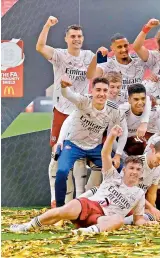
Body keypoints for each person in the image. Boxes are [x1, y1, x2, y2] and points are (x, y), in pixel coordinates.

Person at [10, 125, 155, 234]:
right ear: (124, 169)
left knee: (118, 220)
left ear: (141, 173)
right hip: (89, 205)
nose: (134, 172)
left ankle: (84, 232)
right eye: (131, 168)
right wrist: (111, 136)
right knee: (63, 211)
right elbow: (105, 154)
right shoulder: (113, 176)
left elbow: (138, 220)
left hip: (102, 218)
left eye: (138, 169)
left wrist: (148, 222)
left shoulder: (139, 194)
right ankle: (27, 226)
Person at [36, 16, 94, 208]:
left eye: (79, 36)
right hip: (62, 111)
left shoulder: (89, 56)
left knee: (80, 157)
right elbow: (40, 47)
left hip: (81, 112)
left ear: (83, 39)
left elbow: (98, 74)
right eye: (73, 36)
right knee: (56, 154)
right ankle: (54, 199)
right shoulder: (59, 55)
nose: (77, 39)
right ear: (66, 39)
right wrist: (47, 25)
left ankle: (79, 199)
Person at [54, 76, 127, 208]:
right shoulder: (84, 101)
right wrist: (64, 86)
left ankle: (118, 206)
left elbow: (123, 132)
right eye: (98, 90)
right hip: (73, 144)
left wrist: (118, 155)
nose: (101, 94)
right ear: (91, 91)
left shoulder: (114, 109)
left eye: (105, 90)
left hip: (96, 147)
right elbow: (68, 94)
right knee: (62, 172)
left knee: (120, 169)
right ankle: (59, 209)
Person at [118, 84, 160, 158]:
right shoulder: (122, 110)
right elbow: (110, 137)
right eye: (136, 99)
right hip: (119, 143)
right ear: (129, 100)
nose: (140, 103)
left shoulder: (154, 110)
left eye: (143, 99)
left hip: (138, 146)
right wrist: (123, 156)